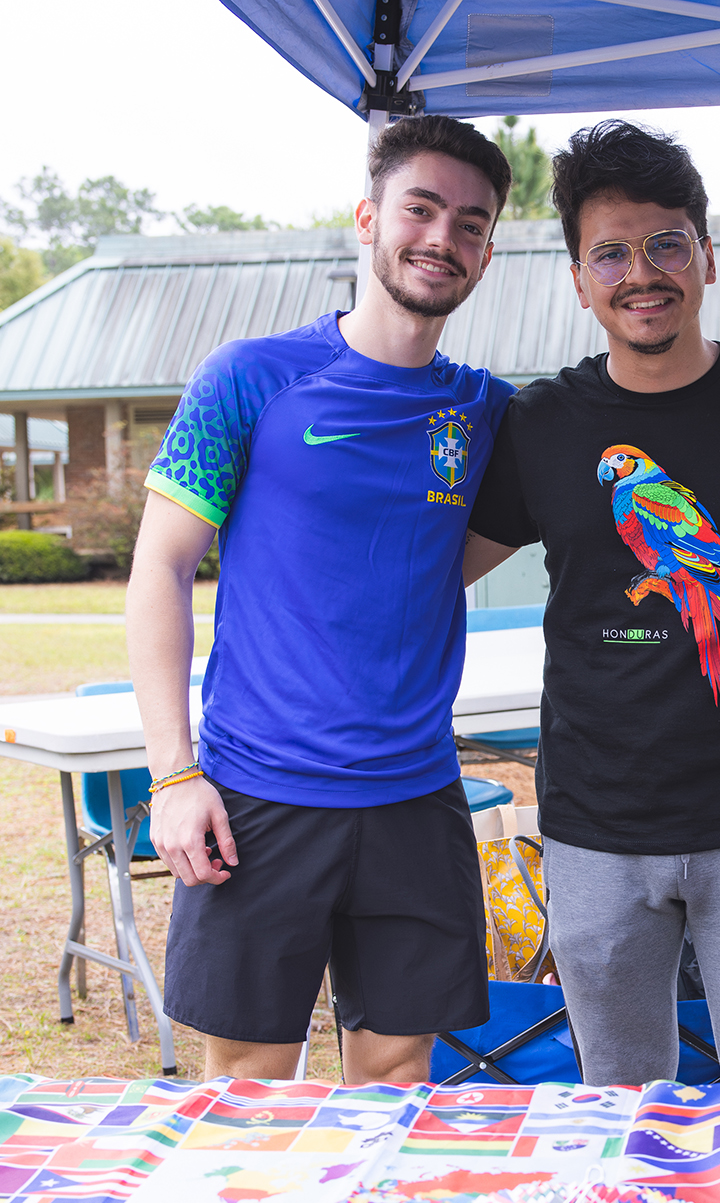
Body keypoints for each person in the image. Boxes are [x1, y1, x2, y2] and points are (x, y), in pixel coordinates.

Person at [129, 115, 516, 1086]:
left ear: (488, 249)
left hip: (414, 799)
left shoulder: (487, 412)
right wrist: (174, 776)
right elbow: (160, 570)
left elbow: (438, 557)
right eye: (419, 208)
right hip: (256, 796)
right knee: (249, 1097)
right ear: (366, 217)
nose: (441, 237)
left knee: (395, 1093)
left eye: (469, 222)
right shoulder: (249, 378)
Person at [465, 121, 720, 1087]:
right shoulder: (541, 424)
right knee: (619, 1103)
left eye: (667, 242)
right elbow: (434, 568)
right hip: (593, 822)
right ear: (579, 278)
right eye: (612, 252)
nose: (643, 271)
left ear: (708, 256)